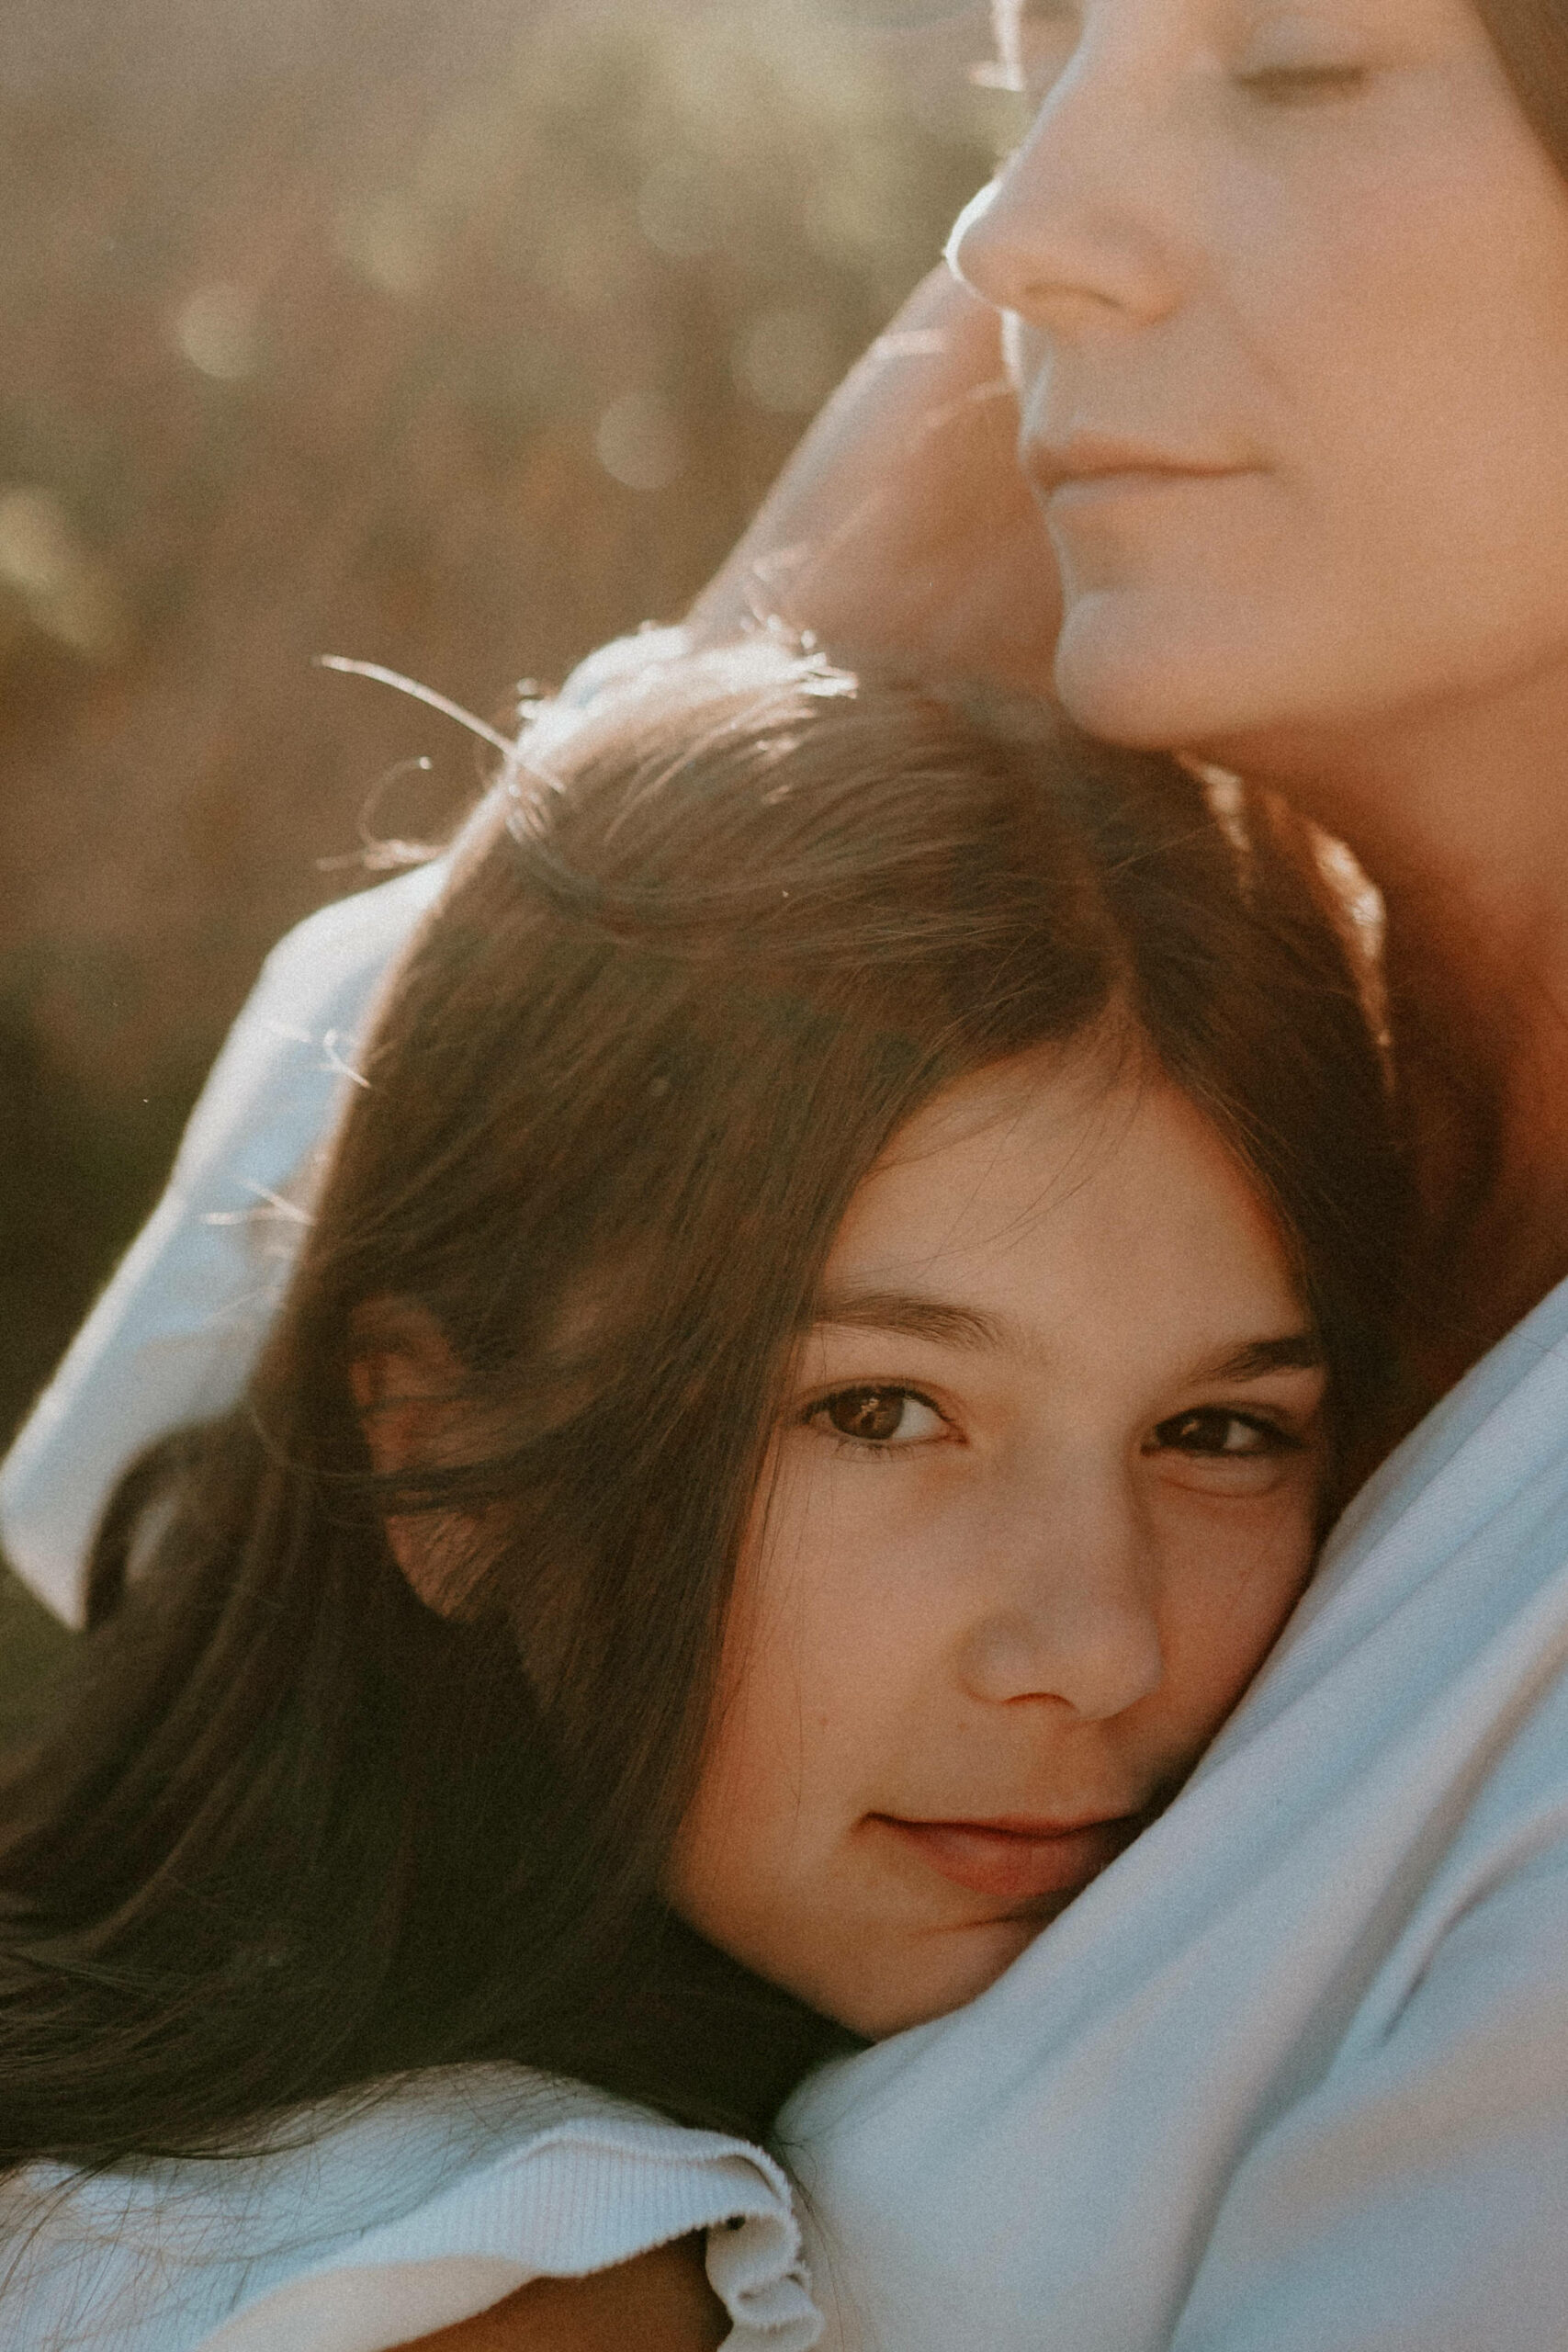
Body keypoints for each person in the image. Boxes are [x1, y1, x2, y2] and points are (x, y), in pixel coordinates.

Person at [15, 0, 1568, 2334]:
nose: (1008, 236)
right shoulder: (1159, 1031)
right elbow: (249, 1485)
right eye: (1032, 56)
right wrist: (807, 645)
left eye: (1291, 60)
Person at [0, 644, 1402, 2350]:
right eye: (876, 1412)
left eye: (1219, 1430)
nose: (1101, 1647)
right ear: (437, 1454)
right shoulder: (525, 2288)